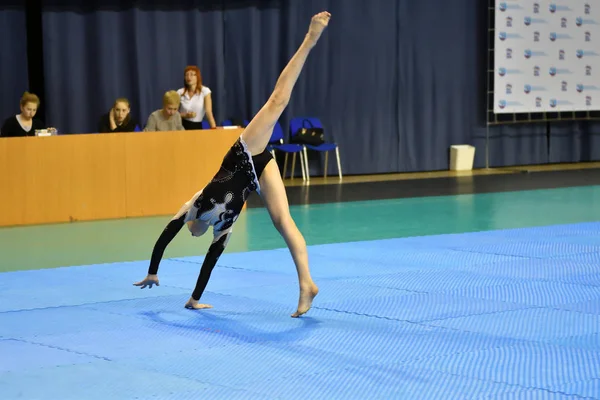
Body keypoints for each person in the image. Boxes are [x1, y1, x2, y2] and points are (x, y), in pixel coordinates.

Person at [134, 11, 331, 318]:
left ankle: (310, 39)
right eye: (193, 233)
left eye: (188, 230)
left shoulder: (196, 205)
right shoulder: (222, 229)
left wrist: (153, 271)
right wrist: (194, 299)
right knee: (283, 222)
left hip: (244, 153)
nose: (190, 232)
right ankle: (307, 283)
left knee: (277, 101)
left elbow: (165, 234)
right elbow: (209, 263)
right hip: (259, 170)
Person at [177, 66, 217, 130]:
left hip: (197, 126)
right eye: (186, 75)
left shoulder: (205, 91)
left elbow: (209, 113)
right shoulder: (180, 92)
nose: (189, 77)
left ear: (197, 77)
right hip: (181, 126)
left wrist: (214, 128)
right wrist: (185, 115)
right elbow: (173, 113)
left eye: (192, 74)